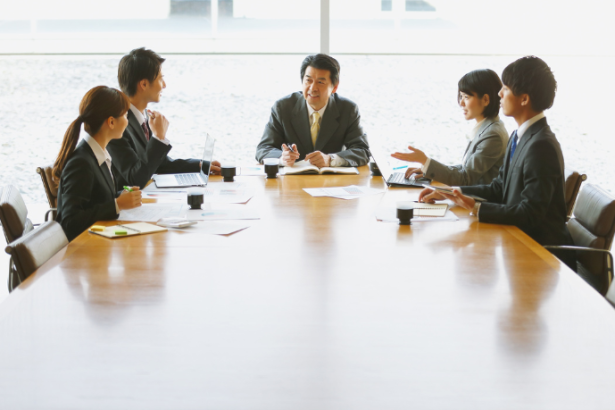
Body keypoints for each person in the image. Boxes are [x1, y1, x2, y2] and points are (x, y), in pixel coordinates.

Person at [418, 56, 575, 269]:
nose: (499, 94)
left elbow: (530, 213)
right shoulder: (519, 137)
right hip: (519, 241)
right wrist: (452, 192)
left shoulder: (541, 146)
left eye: (506, 89)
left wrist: (476, 207)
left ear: (524, 99)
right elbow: (499, 188)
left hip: (542, 255)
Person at [108, 47, 220, 189]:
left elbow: (159, 164)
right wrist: (158, 138)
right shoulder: (116, 125)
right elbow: (135, 178)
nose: (164, 85)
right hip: (127, 200)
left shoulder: (143, 116)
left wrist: (199, 165)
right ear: (144, 84)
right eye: (161, 78)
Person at [54, 86, 142, 241]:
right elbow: (69, 222)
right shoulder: (81, 164)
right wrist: (117, 204)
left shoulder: (98, 154)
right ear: (111, 122)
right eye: (125, 116)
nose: (127, 122)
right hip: (82, 249)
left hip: (98, 239)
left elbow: (96, 199)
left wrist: (121, 197)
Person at [391, 69, 508, 186]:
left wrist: (425, 161)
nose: (461, 103)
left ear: (486, 100)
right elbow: (466, 169)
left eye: (466, 97)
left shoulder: (493, 135)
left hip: (476, 197)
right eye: (461, 96)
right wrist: (428, 169)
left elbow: (465, 178)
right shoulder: (488, 127)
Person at [255, 54, 370, 168]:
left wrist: (330, 159)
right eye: (308, 80)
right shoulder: (283, 107)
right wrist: (282, 158)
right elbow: (264, 149)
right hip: (292, 178)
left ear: (334, 87)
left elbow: (362, 151)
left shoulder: (348, 109)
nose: (312, 88)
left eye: (320, 82)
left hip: (331, 178)